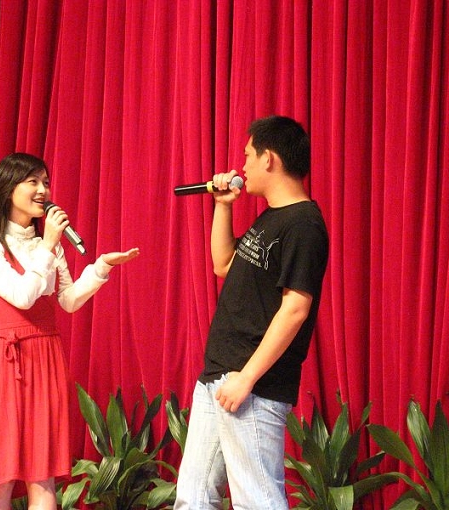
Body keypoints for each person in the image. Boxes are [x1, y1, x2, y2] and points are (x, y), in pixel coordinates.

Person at [174, 116, 329, 510]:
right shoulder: (272, 217)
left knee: (257, 501)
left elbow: (295, 309)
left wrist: (246, 378)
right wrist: (222, 206)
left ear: (269, 158)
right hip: (219, 376)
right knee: (193, 498)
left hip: (253, 386)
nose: (241, 166)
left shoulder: (303, 224)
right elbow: (223, 264)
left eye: (247, 156)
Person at [0, 152, 139, 510]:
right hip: (4, 361)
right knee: (0, 476)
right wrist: (46, 245)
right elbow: (22, 296)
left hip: (46, 357)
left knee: (42, 474)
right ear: (7, 188)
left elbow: (68, 300)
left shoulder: (49, 245)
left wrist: (100, 268)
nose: (43, 190)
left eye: (45, 182)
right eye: (32, 181)